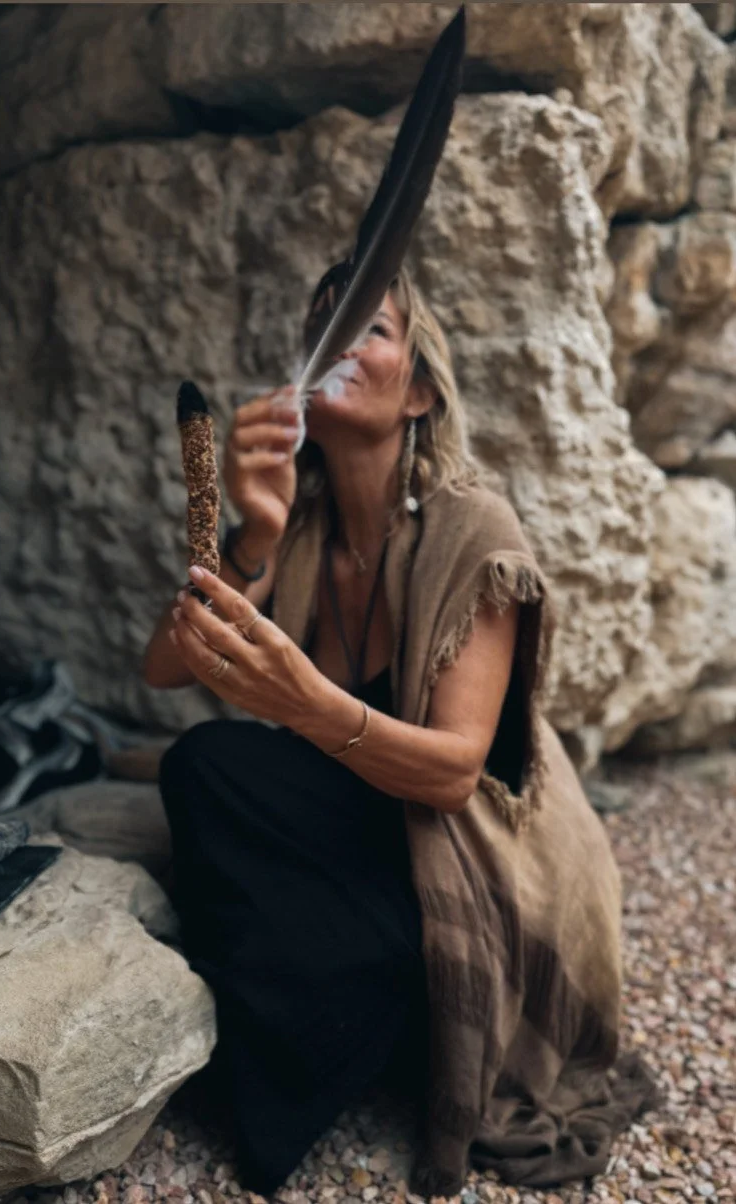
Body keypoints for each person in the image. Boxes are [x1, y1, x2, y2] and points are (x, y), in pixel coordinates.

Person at [143, 266, 656, 1198]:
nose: (337, 344)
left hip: (469, 855)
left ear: (418, 391)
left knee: (296, 896)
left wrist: (307, 703)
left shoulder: (471, 530)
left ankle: (347, 1006)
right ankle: (348, 991)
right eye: (322, 328)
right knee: (204, 764)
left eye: (367, 329)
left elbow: (453, 776)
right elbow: (167, 667)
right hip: (366, 824)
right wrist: (250, 530)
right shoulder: (299, 525)